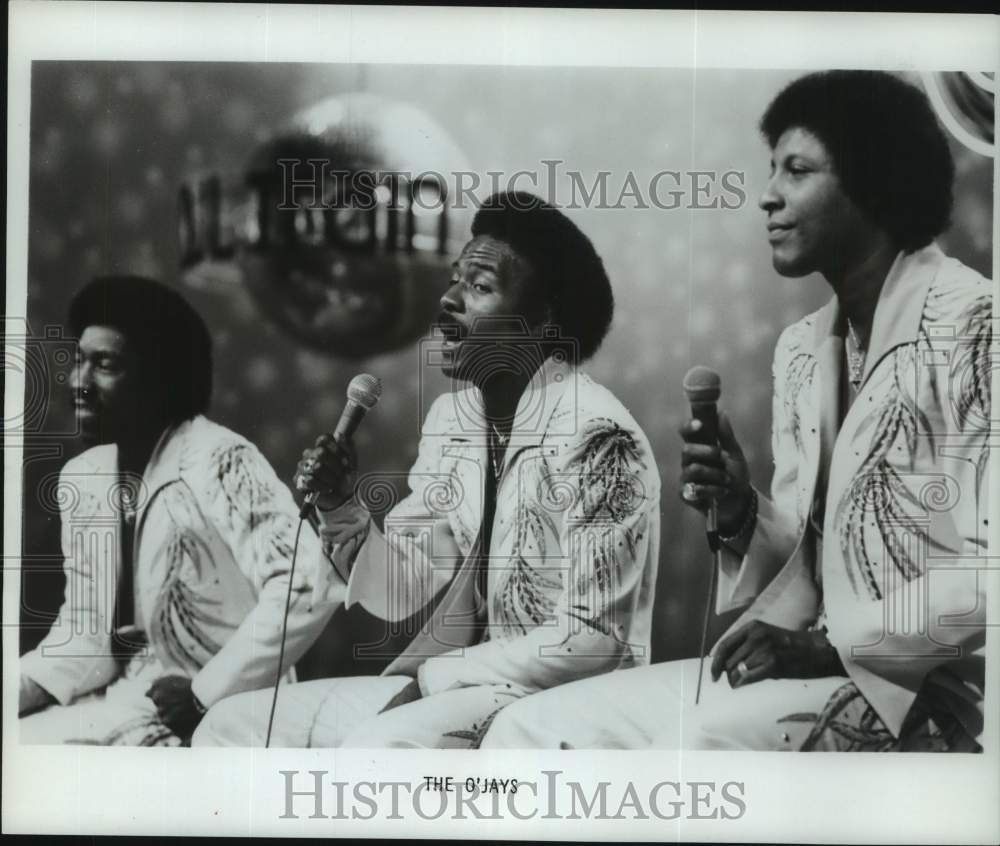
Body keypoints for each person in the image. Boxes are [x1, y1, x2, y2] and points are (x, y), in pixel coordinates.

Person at [481, 70, 991, 751]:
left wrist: (837, 647)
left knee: (700, 749)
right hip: (821, 664)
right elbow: (814, 569)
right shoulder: (802, 350)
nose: (767, 196)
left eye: (797, 170)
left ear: (874, 182)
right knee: (531, 728)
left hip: (927, 693)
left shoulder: (975, 321)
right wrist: (742, 512)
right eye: (771, 168)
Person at [193, 191, 661, 748]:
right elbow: (402, 589)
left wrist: (435, 679)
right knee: (232, 727)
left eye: (480, 287)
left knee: (376, 750)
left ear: (544, 320)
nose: (448, 301)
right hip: (467, 685)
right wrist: (343, 506)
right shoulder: (453, 420)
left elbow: (592, 640)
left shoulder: (602, 437)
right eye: (453, 280)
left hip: (568, 704)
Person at [19, 276, 340, 745]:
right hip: (128, 705)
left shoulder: (220, 458)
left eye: (104, 364)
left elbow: (307, 583)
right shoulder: (84, 478)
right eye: (79, 361)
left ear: (158, 377)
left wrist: (204, 694)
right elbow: (86, 638)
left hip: (230, 718)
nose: (78, 382)